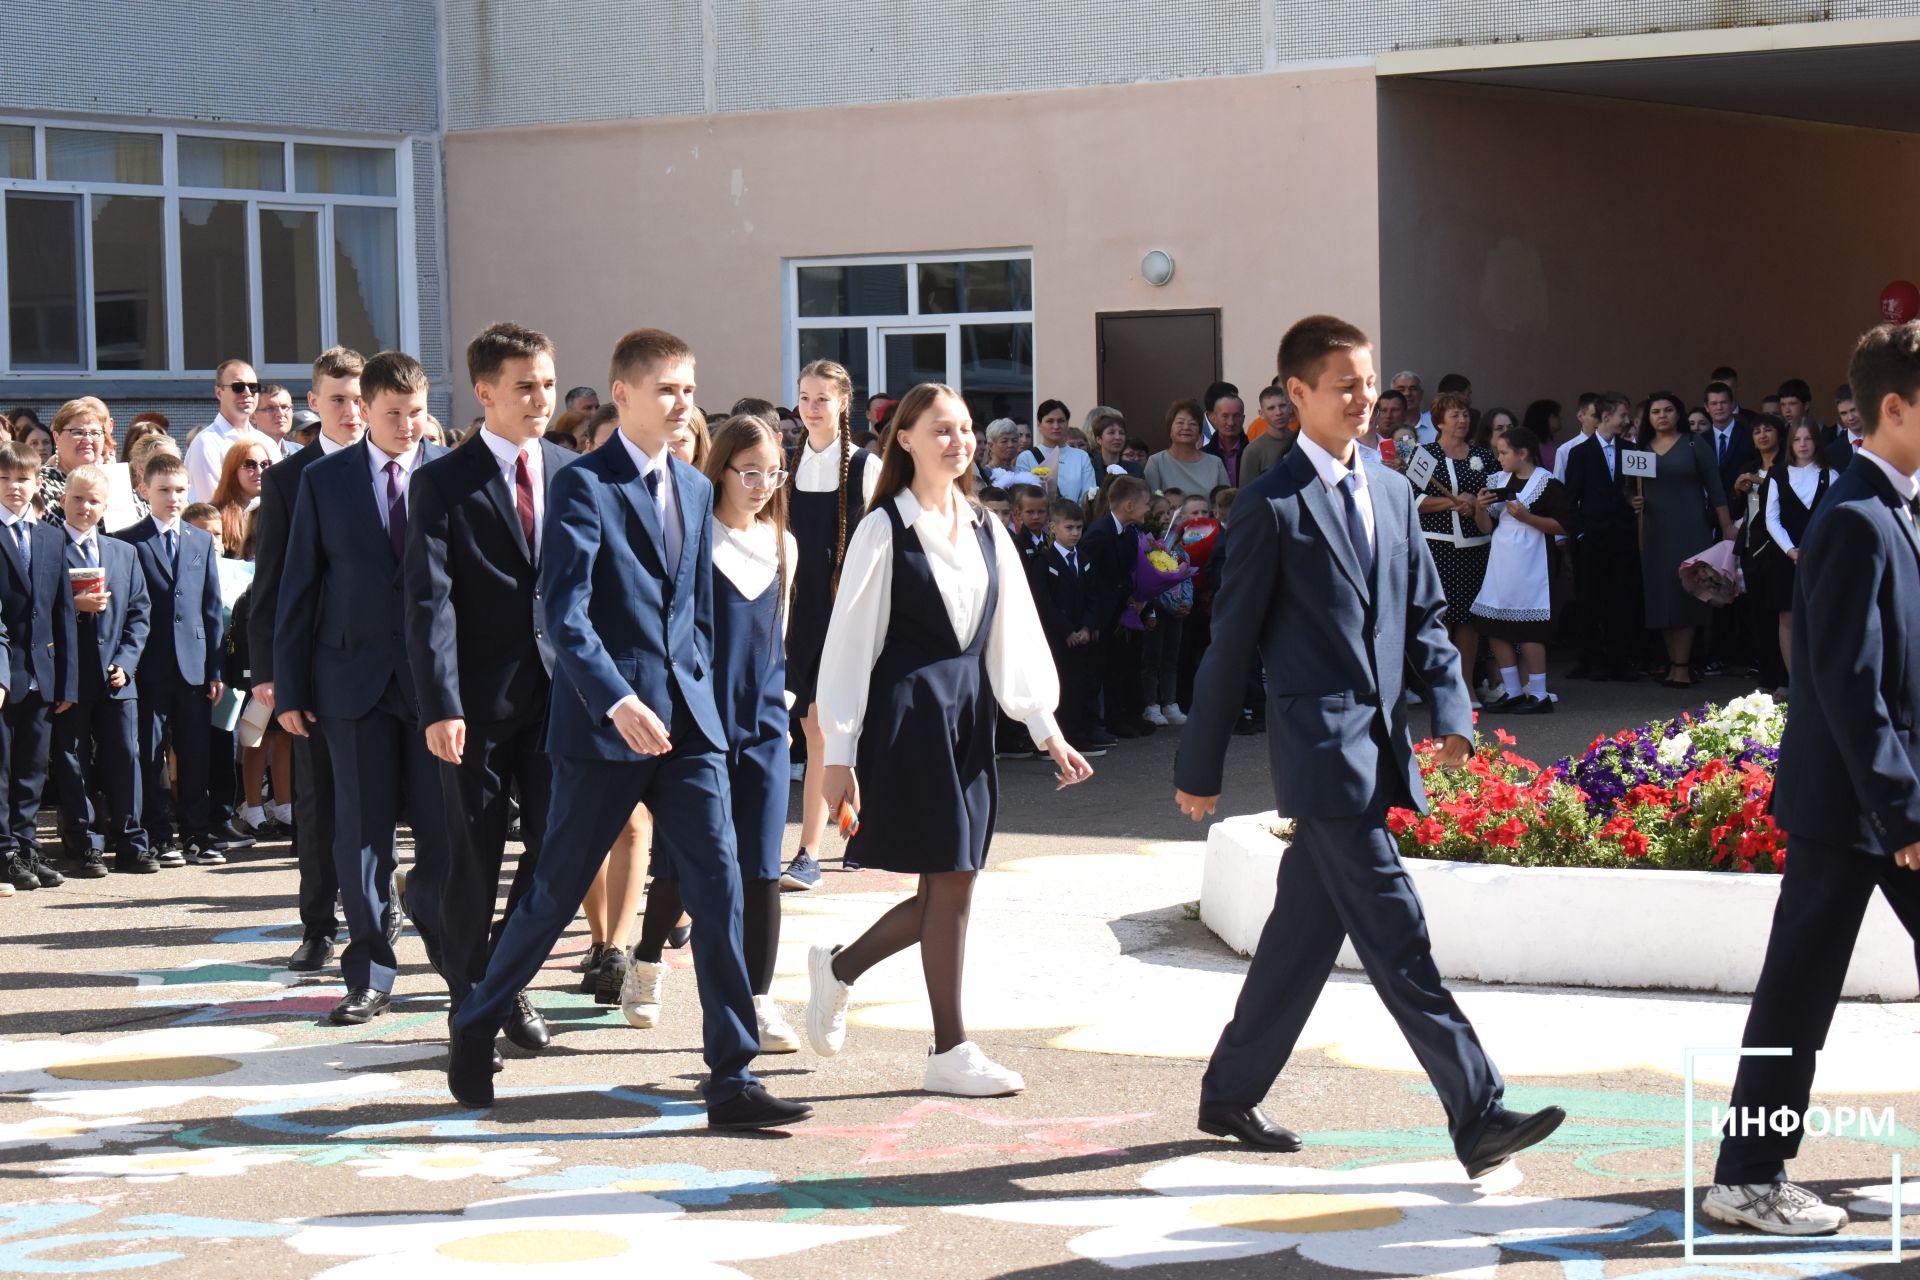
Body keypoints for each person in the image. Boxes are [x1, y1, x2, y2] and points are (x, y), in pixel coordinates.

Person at [1175, 314, 1561, 1173]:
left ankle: (1229, 1093)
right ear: (1297, 397)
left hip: (1378, 746)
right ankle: (1479, 1111)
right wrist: (1198, 767)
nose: (1364, 398)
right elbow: (1229, 646)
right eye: (1344, 384)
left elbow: (1422, 617)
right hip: (1321, 760)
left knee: (1302, 935)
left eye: (1369, 382)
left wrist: (1453, 717)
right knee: (1397, 932)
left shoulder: (1388, 490)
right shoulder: (1271, 508)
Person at [444, 328, 811, 1133]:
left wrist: (717, 713)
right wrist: (616, 700)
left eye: (690, 389)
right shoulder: (585, 485)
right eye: (668, 391)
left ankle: (732, 1077)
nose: (685, 405)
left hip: (692, 733)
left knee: (718, 895)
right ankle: (475, 1020)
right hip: (606, 734)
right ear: (625, 394)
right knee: (549, 896)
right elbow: (563, 615)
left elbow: (698, 618)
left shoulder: (690, 484)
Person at [807, 382, 1091, 1096]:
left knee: (952, 881)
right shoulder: (883, 529)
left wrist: (1044, 725)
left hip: (967, 717)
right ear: (903, 438)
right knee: (951, 880)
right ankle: (948, 1048)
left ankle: (841, 970)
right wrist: (838, 752)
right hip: (908, 716)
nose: (958, 441)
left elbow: (1013, 632)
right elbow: (847, 644)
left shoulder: (988, 527)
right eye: (942, 429)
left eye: (965, 429)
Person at [1705, 320, 1920, 1237]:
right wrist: (1901, 809)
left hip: (1884, 803)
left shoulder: (1898, 508)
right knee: (1796, 994)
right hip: (1855, 810)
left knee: (1795, 990)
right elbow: (1843, 680)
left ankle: (1748, 1169)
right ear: (1896, 408)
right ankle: (1747, 1176)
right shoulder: (1853, 519)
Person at [406, 322, 573, 1057]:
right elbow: (428, 601)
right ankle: (473, 998)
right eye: (524, 386)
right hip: (474, 703)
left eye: (547, 382)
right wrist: (441, 703)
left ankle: (502, 971)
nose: (541, 398)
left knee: (561, 848)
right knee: (473, 855)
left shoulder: (574, 471)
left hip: (563, 699)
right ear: (484, 393)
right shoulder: (442, 479)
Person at [274, 351, 451, 1027]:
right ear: (366, 412)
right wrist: (287, 686)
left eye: (416, 414)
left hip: (436, 687)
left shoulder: (451, 475)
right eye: (392, 415)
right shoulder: (324, 482)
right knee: (360, 838)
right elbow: (297, 589)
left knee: (444, 835)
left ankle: (451, 953)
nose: (407, 427)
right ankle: (371, 972)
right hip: (349, 684)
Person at [627, 415, 800, 1048]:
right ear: (719, 469)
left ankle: (759, 998)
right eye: (748, 472)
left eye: (772, 473)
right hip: (701, 724)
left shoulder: (784, 543)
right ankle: (646, 960)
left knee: (760, 864)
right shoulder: (692, 539)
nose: (760, 485)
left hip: (764, 725)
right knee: (689, 862)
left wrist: (780, 697)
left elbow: (778, 632)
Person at [250, 347, 363, 972]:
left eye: (357, 399)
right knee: (319, 804)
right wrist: (272, 674)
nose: (350, 411)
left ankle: (385, 911)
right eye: (337, 399)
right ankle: (319, 924)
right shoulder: (290, 480)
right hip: (319, 671)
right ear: (313, 404)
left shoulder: (400, 468)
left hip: (391, 669)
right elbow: (270, 588)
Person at [783, 359, 882, 888]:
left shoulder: (865, 465)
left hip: (844, 611)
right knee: (808, 729)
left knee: (829, 728)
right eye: (805, 397)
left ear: (844, 402)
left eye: (823, 397)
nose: (812, 407)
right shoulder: (785, 463)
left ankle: (809, 851)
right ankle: (844, 829)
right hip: (796, 612)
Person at [116, 454, 223, 869]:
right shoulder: (128, 541)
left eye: (180, 490)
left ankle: (198, 834)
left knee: (196, 753)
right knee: (151, 753)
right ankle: (159, 835)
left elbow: (212, 608)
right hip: (148, 667)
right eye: (163, 490)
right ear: (144, 491)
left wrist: (215, 669)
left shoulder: (198, 540)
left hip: (194, 667)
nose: (173, 498)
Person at [50, 464, 152, 877]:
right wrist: (74, 606)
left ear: (106, 506)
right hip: (70, 677)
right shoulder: (49, 549)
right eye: (77, 499)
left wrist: (126, 662)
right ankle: (85, 842)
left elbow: (139, 613)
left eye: (94, 501)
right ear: (62, 501)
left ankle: (131, 840)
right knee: (73, 760)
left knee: (125, 756)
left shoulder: (123, 553)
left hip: (115, 677)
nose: (85, 507)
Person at [0, 443, 76, 893]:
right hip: (6, 674)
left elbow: (62, 612)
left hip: (42, 672)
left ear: (37, 485)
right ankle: (5, 850)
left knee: (33, 767)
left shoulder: (50, 536)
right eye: (5, 480)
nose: (14, 488)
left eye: (23, 480)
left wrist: (66, 678)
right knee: (3, 767)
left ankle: (27, 845)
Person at [1631, 391, 1734, 689]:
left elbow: (1715, 487)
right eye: (1655, 412)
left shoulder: (1694, 444)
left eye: (1668, 410)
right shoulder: (1642, 449)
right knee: (1661, 596)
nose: (1662, 416)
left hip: (1690, 528)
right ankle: (1673, 663)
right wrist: (1632, 500)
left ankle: (1684, 666)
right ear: (1648, 418)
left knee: (1685, 593)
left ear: (1678, 414)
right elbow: (1630, 488)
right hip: (1653, 529)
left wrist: (1727, 526)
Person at [1469, 426, 1570, 713]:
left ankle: (1537, 693)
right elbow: (1486, 527)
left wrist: (1527, 517)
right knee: (1495, 626)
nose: (1498, 458)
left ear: (1522, 453)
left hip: (1532, 564)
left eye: (1503, 452)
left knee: (1530, 631)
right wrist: (1479, 508)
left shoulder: (1547, 484)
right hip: (1502, 563)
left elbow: (1563, 525)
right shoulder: (1497, 481)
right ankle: (1512, 690)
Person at [1414, 392, 1496, 703]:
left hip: (1475, 547)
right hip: (1439, 548)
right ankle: (1442, 688)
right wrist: (1451, 503)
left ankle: (1467, 686)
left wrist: (1476, 503)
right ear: (1439, 422)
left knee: (1469, 620)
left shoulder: (1484, 456)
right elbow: (1414, 499)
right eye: (1455, 416)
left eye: (1465, 414)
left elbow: (1493, 493)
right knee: (1443, 619)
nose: (1462, 420)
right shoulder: (1425, 455)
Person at [1563, 393, 1642, 682]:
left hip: (1622, 535)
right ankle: (1589, 659)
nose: (1627, 420)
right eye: (1623, 414)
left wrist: (1635, 502)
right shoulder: (1580, 453)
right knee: (1589, 599)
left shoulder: (1630, 449)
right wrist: (1580, 532)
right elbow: (1571, 498)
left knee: (1621, 598)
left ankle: (1620, 659)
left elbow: (1637, 487)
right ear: (1607, 417)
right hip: (1592, 536)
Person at [1759, 420, 1840, 689]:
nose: (1803, 445)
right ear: (1790, 444)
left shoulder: (1830, 475)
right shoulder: (1777, 475)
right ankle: (1796, 681)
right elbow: (1771, 518)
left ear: (1817, 441)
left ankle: (1820, 679)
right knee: (1788, 616)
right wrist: (1791, 550)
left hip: (1822, 557)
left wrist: (1817, 549)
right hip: (1786, 556)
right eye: (1797, 440)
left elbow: (1836, 517)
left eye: (1808, 439)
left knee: (1820, 616)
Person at [1083, 474, 1155, 738]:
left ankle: (1126, 714)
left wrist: (1138, 599)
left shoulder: (1128, 532)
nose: (1148, 509)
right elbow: (1090, 577)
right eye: (1146, 503)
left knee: (1122, 665)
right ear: (1128, 506)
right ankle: (1105, 720)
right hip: (1102, 615)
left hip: (1122, 612)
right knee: (1101, 669)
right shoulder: (1100, 534)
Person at [1033, 498, 1104, 756]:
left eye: (1078, 528)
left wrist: (1087, 627)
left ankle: (1079, 732)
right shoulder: (1045, 560)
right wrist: (1067, 631)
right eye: (1069, 528)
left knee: (1082, 684)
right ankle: (1059, 739)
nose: (1075, 533)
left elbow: (1094, 597)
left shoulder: (1084, 559)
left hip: (1081, 637)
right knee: (1060, 688)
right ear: (1053, 527)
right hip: (1058, 639)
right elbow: (1044, 602)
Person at [185, 360, 270, 503]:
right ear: (219, 392)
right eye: (238, 387)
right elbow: (213, 507)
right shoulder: (206, 443)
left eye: (253, 387)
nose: (247, 393)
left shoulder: (267, 443)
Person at [38, 397, 113, 530]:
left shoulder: (114, 480)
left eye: (95, 433)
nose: (88, 439)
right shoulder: (39, 483)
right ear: (56, 437)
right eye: (78, 432)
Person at [1145, 401, 1230, 497]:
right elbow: (1151, 502)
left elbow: (1225, 503)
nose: (1186, 427)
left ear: (1199, 432)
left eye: (1193, 424)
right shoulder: (1156, 462)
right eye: (1180, 422)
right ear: (1170, 430)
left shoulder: (1216, 463)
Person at [1018, 399, 1096, 503]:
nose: (1056, 426)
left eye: (1061, 421)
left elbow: (1089, 495)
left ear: (1067, 424)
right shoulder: (1026, 458)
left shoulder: (1081, 457)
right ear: (1039, 425)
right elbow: (1022, 496)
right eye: (1050, 421)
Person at [208, 439, 270, 558]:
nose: (259, 471)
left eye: (264, 464)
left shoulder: (277, 511)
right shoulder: (214, 513)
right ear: (232, 470)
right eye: (250, 465)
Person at [1239, 387, 1297, 486]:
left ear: (1290, 408)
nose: (1278, 413)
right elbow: (1247, 493)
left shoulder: (1302, 442)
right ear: (1261, 414)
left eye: (1282, 406)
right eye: (1271, 408)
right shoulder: (1253, 450)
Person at [1201, 388, 1248, 484]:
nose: (1231, 423)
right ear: (1213, 418)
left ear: (1243, 419)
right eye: (1225, 416)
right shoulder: (1203, 455)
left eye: (1236, 416)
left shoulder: (1253, 453)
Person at [1824, 382, 1866, 472]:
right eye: (1844, 413)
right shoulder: (1832, 452)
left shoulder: (1884, 440)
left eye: (1853, 410)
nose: (1850, 417)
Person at [252, 384, 299, 460]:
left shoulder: (300, 452)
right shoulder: (242, 453)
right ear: (253, 416)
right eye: (270, 409)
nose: (280, 414)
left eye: (284, 407)